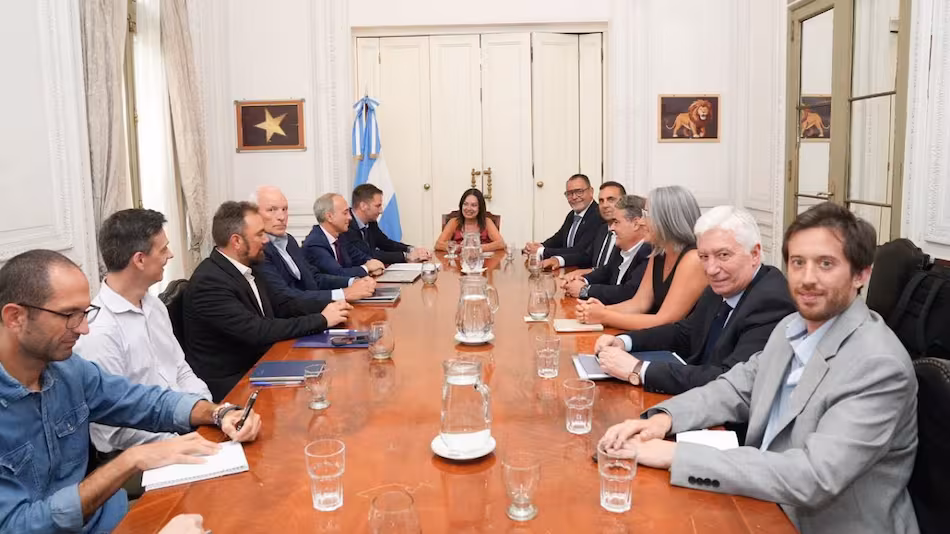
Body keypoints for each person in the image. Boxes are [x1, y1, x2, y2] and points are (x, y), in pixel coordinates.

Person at [600, 202, 919, 534]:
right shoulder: (791, 327)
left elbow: (813, 477)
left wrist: (675, 455)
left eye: (826, 264)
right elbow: (735, 388)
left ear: (861, 275)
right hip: (763, 498)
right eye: (798, 262)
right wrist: (662, 420)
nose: (807, 278)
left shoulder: (878, 365)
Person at [0, 250, 262, 533]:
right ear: (15, 317)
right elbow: (17, 525)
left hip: (111, 518)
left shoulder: (68, 370)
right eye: (69, 315)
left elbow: (144, 402)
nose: (84, 329)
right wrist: (129, 461)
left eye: (84, 313)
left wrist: (219, 413)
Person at [594, 206, 796, 395]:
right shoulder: (723, 285)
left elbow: (730, 381)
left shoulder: (771, 302)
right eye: (704, 257)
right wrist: (624, 341)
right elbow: (685, 333)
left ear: (755, 254)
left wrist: (638, 369)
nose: (711, 269)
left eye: (723, 255)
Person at [73, 209, 212, 458]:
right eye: (163, 249)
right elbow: (112, 430)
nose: (170, 254)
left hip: (185, 429)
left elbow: (180, 370)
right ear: (139, 260)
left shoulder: (154, 305)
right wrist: (179, 440)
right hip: (134, 455)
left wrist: (206, 412)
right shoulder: (98, 332)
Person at [183, 201, 351, 401]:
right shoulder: (209, 282)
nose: (265, 240)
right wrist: (322, 320)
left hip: (263, 364)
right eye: (259, 234)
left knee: (334, 375)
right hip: (235, 385)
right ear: (236, 241)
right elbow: (258, 330)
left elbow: (284, 304)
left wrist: (332, 307)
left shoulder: (251, 266)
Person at [577, 185, 707, 330]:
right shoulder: (659, 252)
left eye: (647, 215)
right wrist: (599, 309)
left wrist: (604, 316)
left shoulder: (693, 259)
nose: (641, 222)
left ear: (667, 220)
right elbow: (639, 304)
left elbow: (665, 321)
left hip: (678, 342)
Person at [252, 186, 376, 303]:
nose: (281, 217)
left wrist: (352, 282)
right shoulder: (257, 249)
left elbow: (314, 277)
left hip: (312, 308)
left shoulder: (289, 241)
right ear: (254, 215)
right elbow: (284, 297)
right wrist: (343, 294)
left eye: (284, 209)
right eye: (272, 210)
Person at [561, 195, 652, 305]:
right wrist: (582, 280)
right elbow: (606, 272)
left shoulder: (649, 253)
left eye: (616, 222)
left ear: (636, 224)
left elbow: (629, 292)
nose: (612, 228)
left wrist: (585, 290)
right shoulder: (621, 246)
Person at [541, 181, 627, 272]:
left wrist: (590, 273)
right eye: (601, 201)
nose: (605, 205)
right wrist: (558, 260)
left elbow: (616, 270)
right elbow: (586, 256)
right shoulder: (603, 229)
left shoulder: (629, 232)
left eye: (611, 199)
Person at [302, 193, 386, 278]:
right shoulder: (314, 243)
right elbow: (337, 273)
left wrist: (374, 265)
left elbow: (359, 257)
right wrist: (366, 268)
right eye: (345, 213)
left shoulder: (340, 237)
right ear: (329, 217)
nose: (350, 217)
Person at [344, 183, 432, 264]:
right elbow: (368, 254)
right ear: (363, 206)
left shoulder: (371, 222)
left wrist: (412, 249)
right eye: (378, 206)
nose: (381, 211)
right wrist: (406, 256)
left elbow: (385, 243)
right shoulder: (346, 224)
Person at [524, 174, 604, 259]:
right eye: (569, 193)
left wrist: (541, 251)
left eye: (579, 192)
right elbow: (558, 239)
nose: (574, 197)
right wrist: (539, 246)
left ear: (591, 191)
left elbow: (579, 250)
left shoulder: (598, 215)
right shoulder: (572, 215)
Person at [434, 188, 506, 252]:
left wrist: (477, 248)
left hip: (483, 261)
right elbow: (438, 245)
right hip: (459, 261)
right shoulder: (454, 222)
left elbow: (501, 244)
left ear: (480, 208)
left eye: (473, 205)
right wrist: (457, 247)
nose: (468, 208)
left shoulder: (487, 222)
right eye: (465, 204)